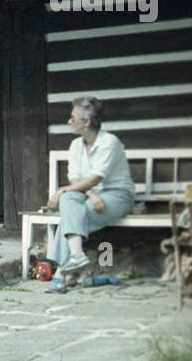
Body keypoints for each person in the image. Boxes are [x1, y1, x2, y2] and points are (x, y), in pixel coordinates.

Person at [46, 96, 136, 276]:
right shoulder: (75, 145)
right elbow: (75, 179)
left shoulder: (109, 142)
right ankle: (76, 257)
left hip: (117, 195)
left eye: (73, 118)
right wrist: (90, 194)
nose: (68, 121)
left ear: (87, 122)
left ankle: (61, 273)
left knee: (73, 215)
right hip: (91, 194)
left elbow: (95, 179)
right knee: (70, 199)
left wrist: (62, 190)